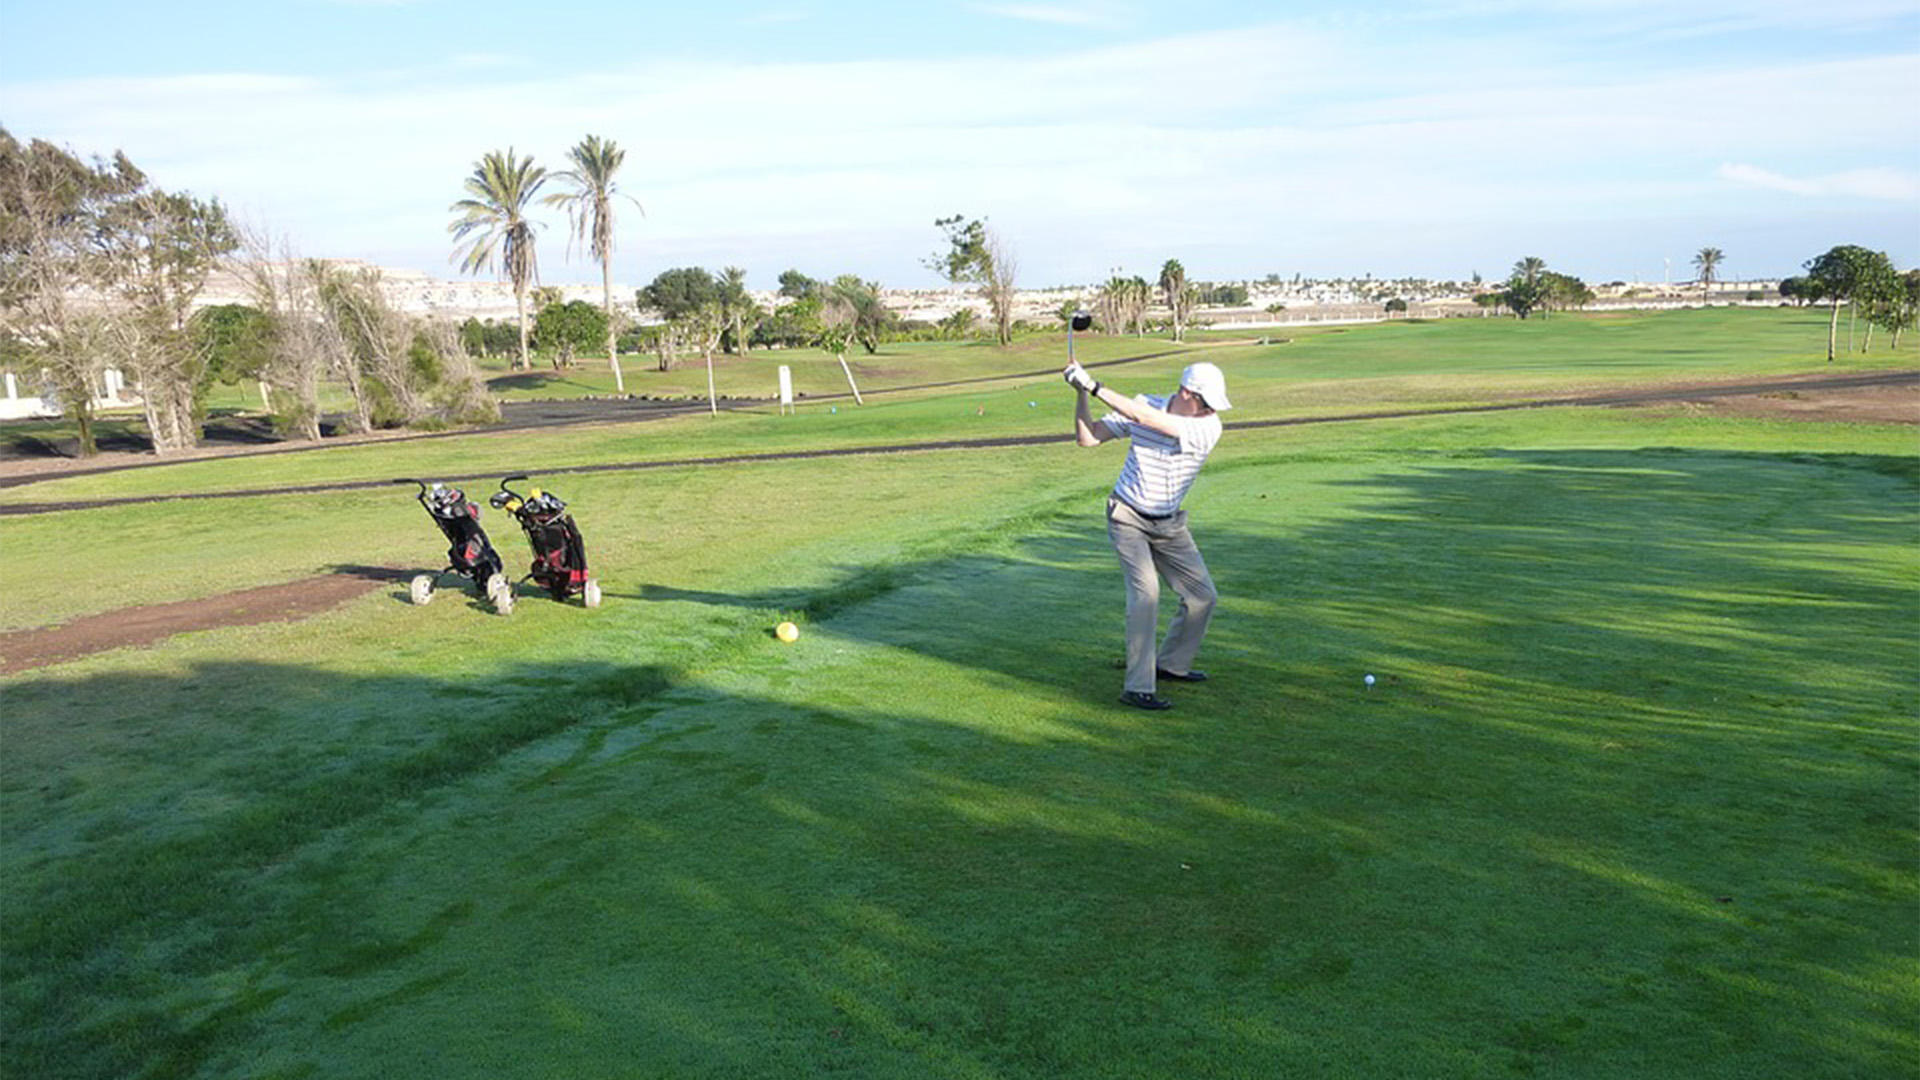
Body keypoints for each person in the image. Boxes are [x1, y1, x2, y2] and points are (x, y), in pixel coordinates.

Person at [1063, 358, 1231, 710]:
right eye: (1207, 401)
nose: (1212, 409)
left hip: (1169, 525)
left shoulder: (1208, 427)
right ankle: (1138, 687)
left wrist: (1094, 386)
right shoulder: (1147, 403)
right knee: (1146, 596)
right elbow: (1088, 438)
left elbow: (1148, 420)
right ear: (1187, 393)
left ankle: (1171, 664)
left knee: (1202, 596)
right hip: (1127, 517)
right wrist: (1081, 394)